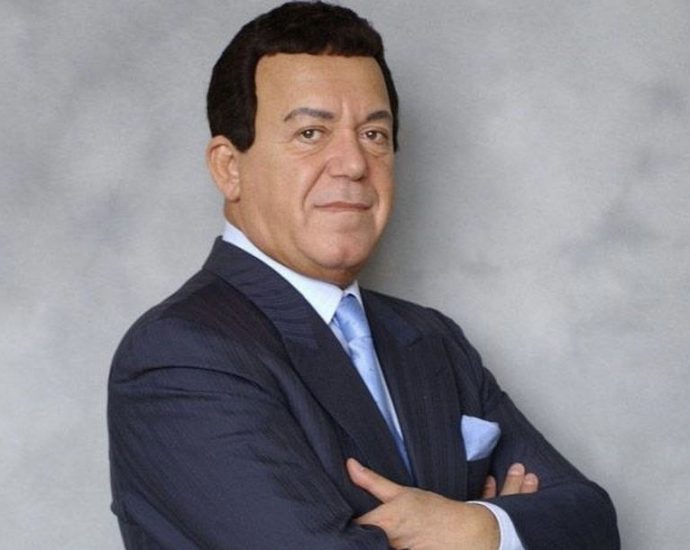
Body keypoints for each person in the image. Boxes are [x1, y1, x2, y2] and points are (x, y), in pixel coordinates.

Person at [107, 2, 620, 548]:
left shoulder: (434, 340)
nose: (353, 164)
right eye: (311, 133)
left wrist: (478, 527)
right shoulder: (179, 355)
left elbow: (593, 523)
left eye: (374, 134)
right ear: (229, 167)